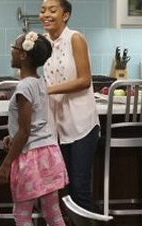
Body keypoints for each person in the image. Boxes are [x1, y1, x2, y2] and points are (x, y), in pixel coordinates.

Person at [0, 32, 76, 226]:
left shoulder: (23, 88)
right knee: (54, 214)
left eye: (14, 47)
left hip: (31, 158)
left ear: (23, 55)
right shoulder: (41, 82)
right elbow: (34, 125)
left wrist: (7, 162)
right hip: (49, 154)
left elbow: (25, 130)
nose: (11, 50)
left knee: (22, 214)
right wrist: (13, 139)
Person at [40, 0, 100, 212]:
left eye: (52, 10)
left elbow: (85, 80)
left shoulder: (76, 38)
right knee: (62, 189)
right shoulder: (44, 42)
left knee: (79, 188)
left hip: (81, 124)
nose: (46, 15)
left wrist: (48, 90)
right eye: (43, 11)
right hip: (57, 126)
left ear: (65, 15)